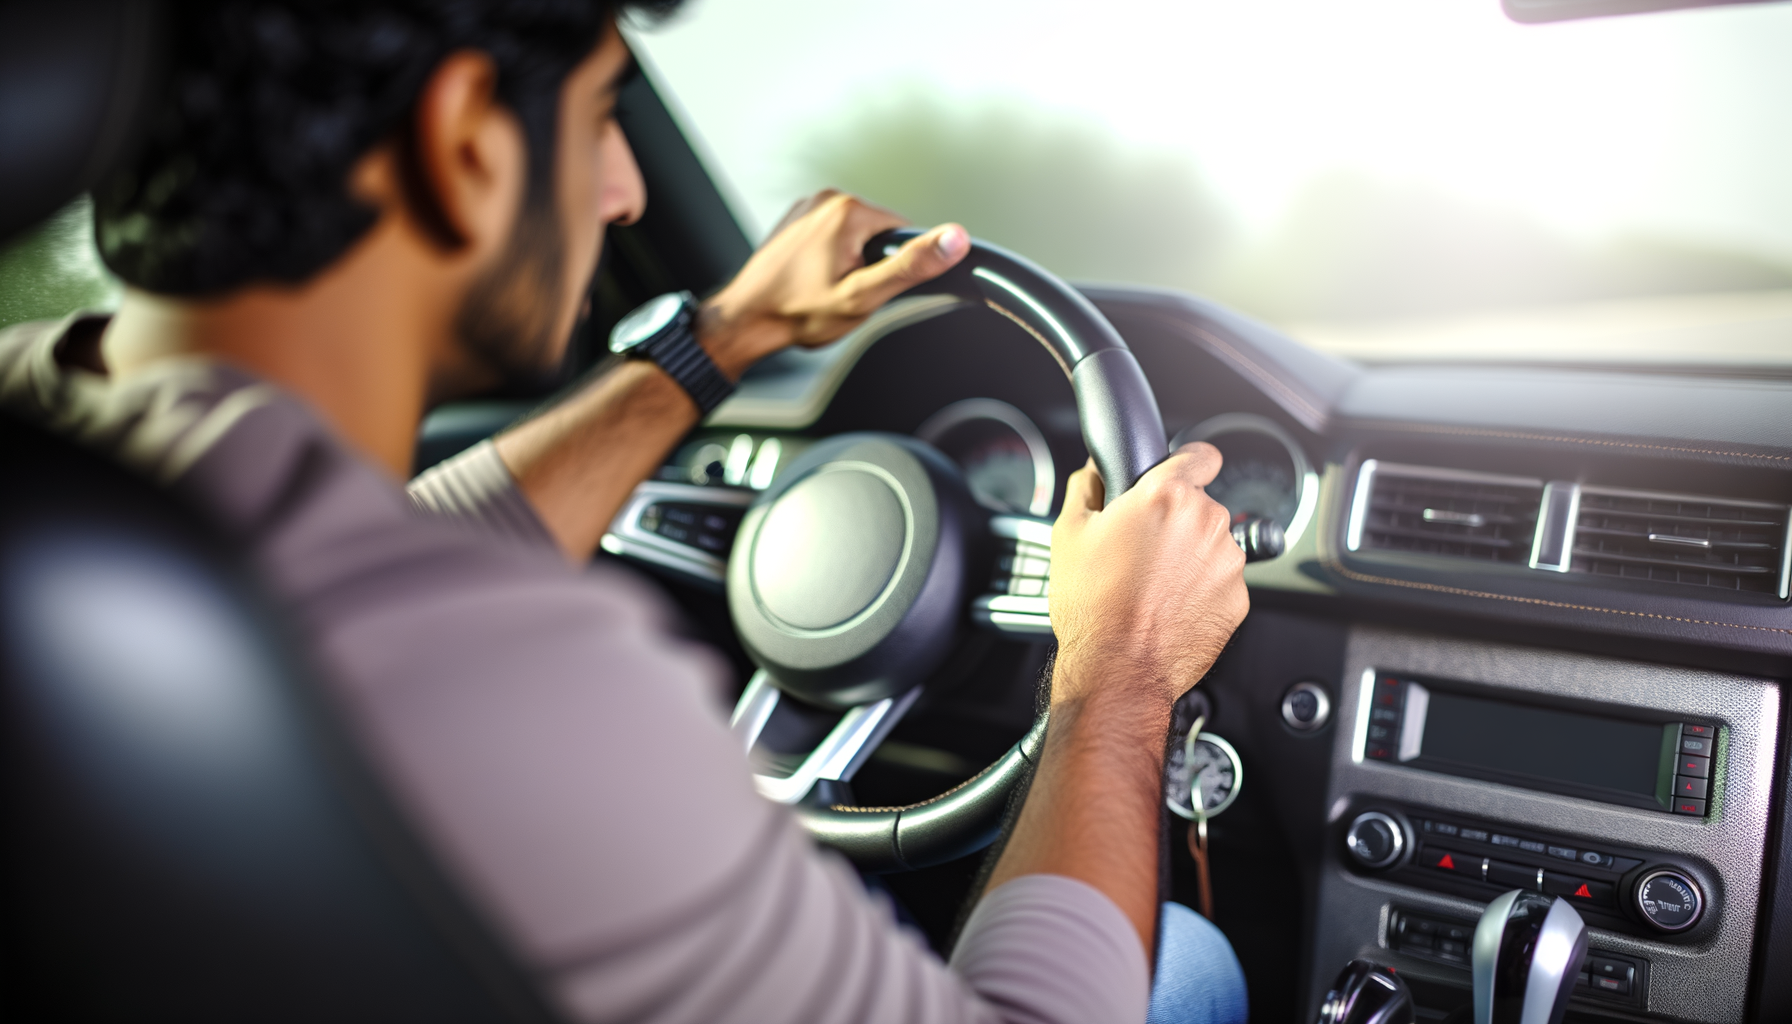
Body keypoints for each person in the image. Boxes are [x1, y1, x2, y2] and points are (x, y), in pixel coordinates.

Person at [0, 2, 1251, 1021]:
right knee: (1185, 960)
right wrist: (1116, 671)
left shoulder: (60, 426)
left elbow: (376, 560)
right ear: (466, 143)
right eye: (603, 114)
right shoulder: (536, 688)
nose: (625, 196)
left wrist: (725, 339)